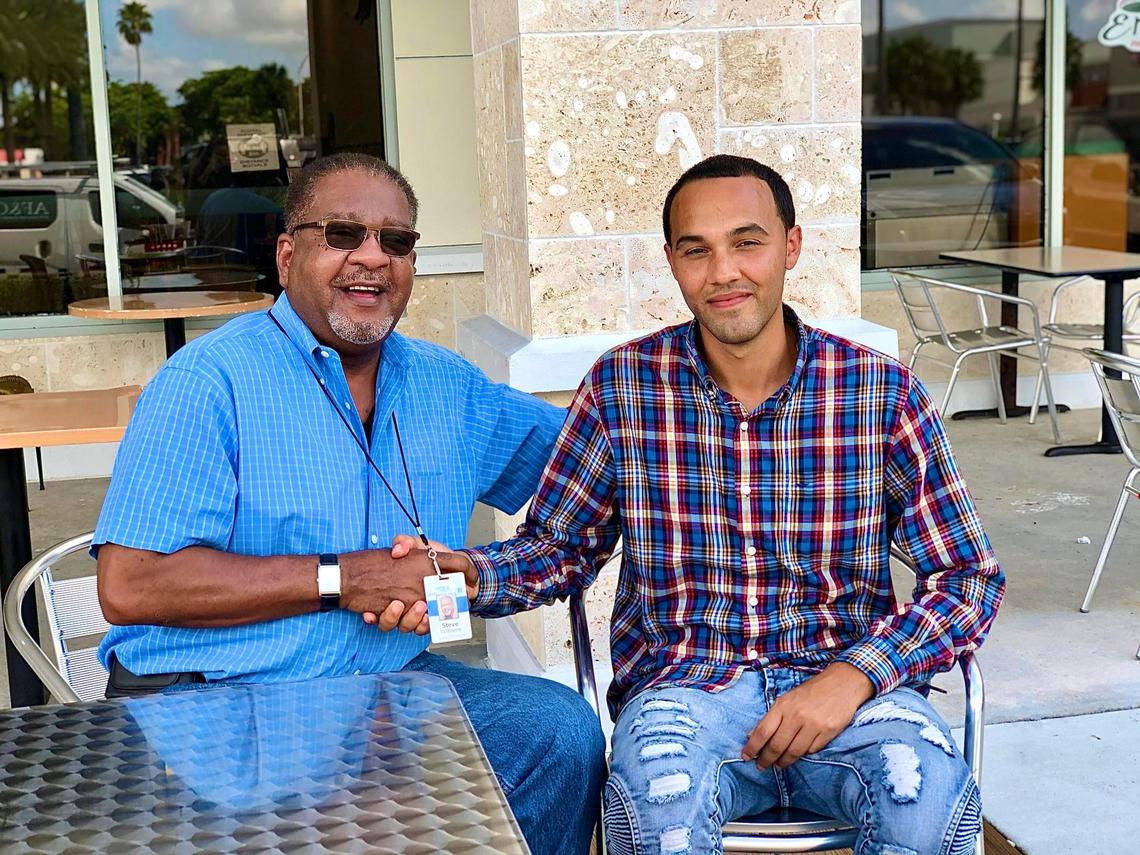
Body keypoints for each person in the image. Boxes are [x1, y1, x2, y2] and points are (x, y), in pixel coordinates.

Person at [397, 154, 1005, 855]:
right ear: (672, 261)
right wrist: (460, 573)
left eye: (747, 242)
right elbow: (561, 547)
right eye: (697, 250)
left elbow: (968, 579)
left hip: (853, 691)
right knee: (657, 818)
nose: (723, 272)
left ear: (791, 246)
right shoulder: (624, 388)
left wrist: (855, 674)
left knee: (927, 797)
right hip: (684, 691)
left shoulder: (879, 392)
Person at [93, 152, 605, 855]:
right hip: (216, 695)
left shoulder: (447, 386)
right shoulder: (207, 382)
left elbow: (598, 464)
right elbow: (131, 582)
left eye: (396, 241)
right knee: (343, 808)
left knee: (557, 730)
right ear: (287, 254)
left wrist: (726, 396)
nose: (372, 257)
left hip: (389, 684)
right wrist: (346, 577)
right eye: (342, 233)